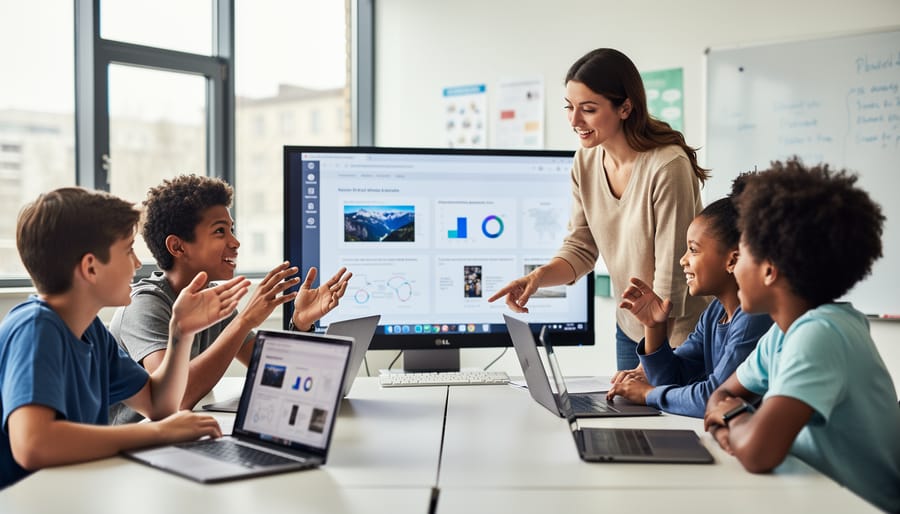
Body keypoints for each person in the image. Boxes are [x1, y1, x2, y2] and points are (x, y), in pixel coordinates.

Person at [0, 187, 250, 488]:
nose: (137, 263)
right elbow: (32, 445)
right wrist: (157, 433)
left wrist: (180, 332)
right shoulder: (36, 329)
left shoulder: (91, 331)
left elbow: (159, 404)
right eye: (128, 250)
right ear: (91, 267)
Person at [488, 48, 709, 370]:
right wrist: (537, 278)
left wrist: (650, 365)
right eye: (569, 107)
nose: (574, 121)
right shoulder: (586, 161)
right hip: (630, 327)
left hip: (681, 334)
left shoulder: (667, 167)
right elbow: (581, 247)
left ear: (625, 108)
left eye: (588, 109)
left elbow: (670, 282)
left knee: (654, 401)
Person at [702, 159, 900, 512]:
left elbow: (758, 452)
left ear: (769, 270)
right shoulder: (783, 333)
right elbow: (722, 395)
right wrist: (731, 423)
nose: (734, 265)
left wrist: (731, 418)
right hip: (809, 495)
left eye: (741, 252)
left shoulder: (822, 334)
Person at [109, 175, 351, 424]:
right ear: (178, 247)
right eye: (219, 231)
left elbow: (276, 372)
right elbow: (176, 401)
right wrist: (244, 320)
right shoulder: (145, 305)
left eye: (231, 230)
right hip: (130, 444)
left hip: (176, 437)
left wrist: (300, 324)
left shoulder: (212, 299)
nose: (235, 242)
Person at [606, 180, 773, 417]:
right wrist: (654, 327)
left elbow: (715, 397)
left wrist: (648, 395)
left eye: (693, 250)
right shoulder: (715, 312)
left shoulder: (754, 318)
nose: (683, 260)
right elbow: (673, 378)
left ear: (732, 260)